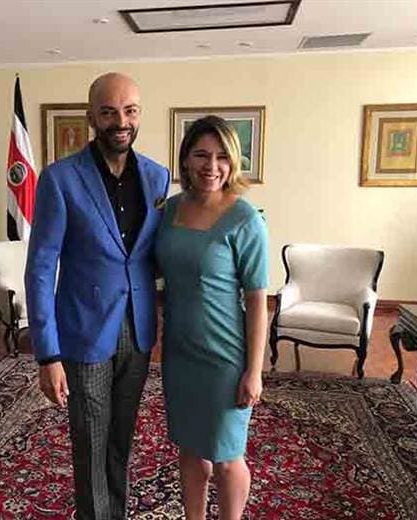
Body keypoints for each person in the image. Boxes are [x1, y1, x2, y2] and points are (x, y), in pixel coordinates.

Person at [25, 72, 170, 520]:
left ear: (139, 114)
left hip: (138, 328)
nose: (120, 121)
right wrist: (47, 355)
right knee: (90, 442)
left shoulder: (158, 177)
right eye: (108, 112)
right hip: (83, 331)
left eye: (130, 111)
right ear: (91, 117)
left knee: (120, 439)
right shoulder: (60, 179)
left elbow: (158, 253)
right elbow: (41, 267)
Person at [155, 115, 268, 520]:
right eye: (202, 155)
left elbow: (257, 300)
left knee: (226, 457)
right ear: (186, 159)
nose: (211, 166)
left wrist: (254, 371)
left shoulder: (245, 219)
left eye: (222, 156)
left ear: (233, 162)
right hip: (179, 352)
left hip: (224, 358)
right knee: (189, 448)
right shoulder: (169, 210)